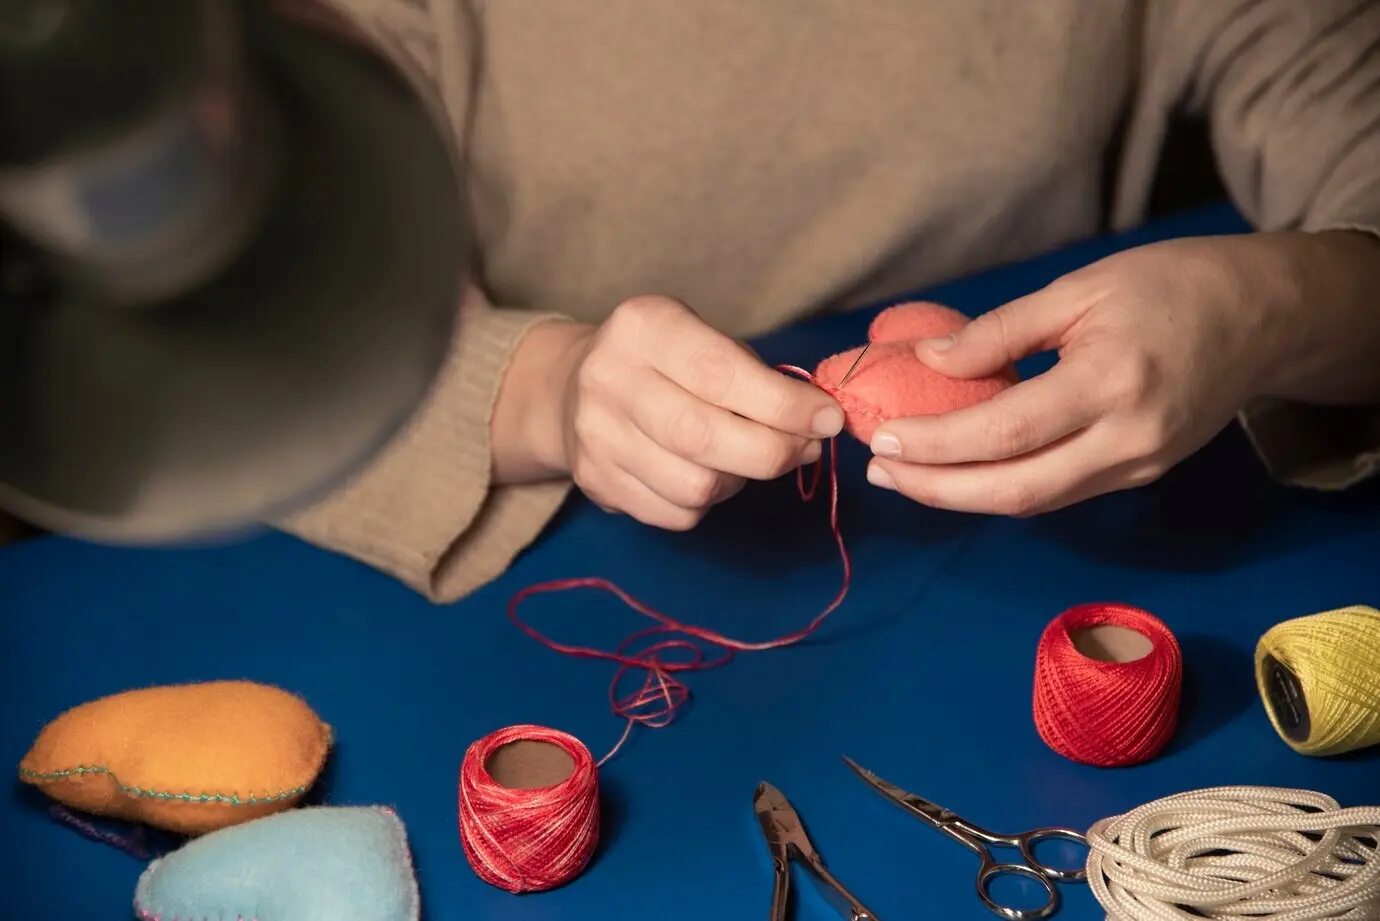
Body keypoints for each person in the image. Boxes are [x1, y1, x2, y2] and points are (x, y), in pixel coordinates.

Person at [282, 1, 1379, 603]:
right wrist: (545, 391)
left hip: (1042, 577)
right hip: (585, 556)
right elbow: (264, 311)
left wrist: (1279, 305)